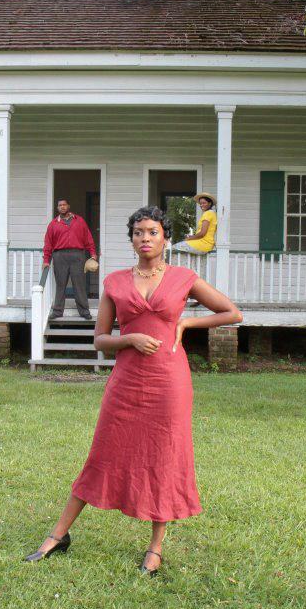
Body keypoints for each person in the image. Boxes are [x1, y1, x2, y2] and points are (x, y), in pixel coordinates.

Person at [24, 206, 242, 576]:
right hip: (126, 382)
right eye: (139, 232)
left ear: (166, 238)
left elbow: (231, 312)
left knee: (165, 457)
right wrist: (130, 339)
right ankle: (58, 535)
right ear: (131, 239)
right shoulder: (115, 282)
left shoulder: (184, 277)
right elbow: (100, 340)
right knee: (103, 452)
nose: (145, 238)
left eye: (153, 232)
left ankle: (155, 548)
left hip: (169, 381)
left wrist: (188, 322)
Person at [42, 199, 98, 320]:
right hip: (59, 256)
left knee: (79, 284)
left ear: (68, 206)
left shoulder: (80, 221)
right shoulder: (53, 224)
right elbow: (48, 244)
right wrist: (46, 260)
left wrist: (93, 254)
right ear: (58, 208)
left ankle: (84, 311)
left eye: (64, 204)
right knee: (61, 284)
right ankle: (57, 311)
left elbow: (88, 239)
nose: (62, 207)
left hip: (77, 255)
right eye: (60, 205)